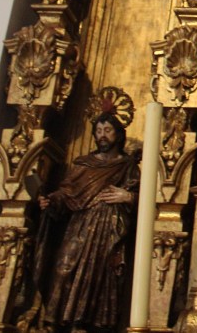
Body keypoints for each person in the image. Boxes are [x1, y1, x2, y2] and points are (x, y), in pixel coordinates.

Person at [37, 113, 139, 333]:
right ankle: (51, 321)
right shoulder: (84, 164)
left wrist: (129, 197)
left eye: (107, 131)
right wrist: (51, 200)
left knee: (99, 275)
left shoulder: (127, 166)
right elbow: (67, 192)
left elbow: (145, 200)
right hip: (80, 225)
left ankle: (81, 324)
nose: (102, 136)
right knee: (64, 267)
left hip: (110, 228)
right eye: (99, 131)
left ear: (118, 134)